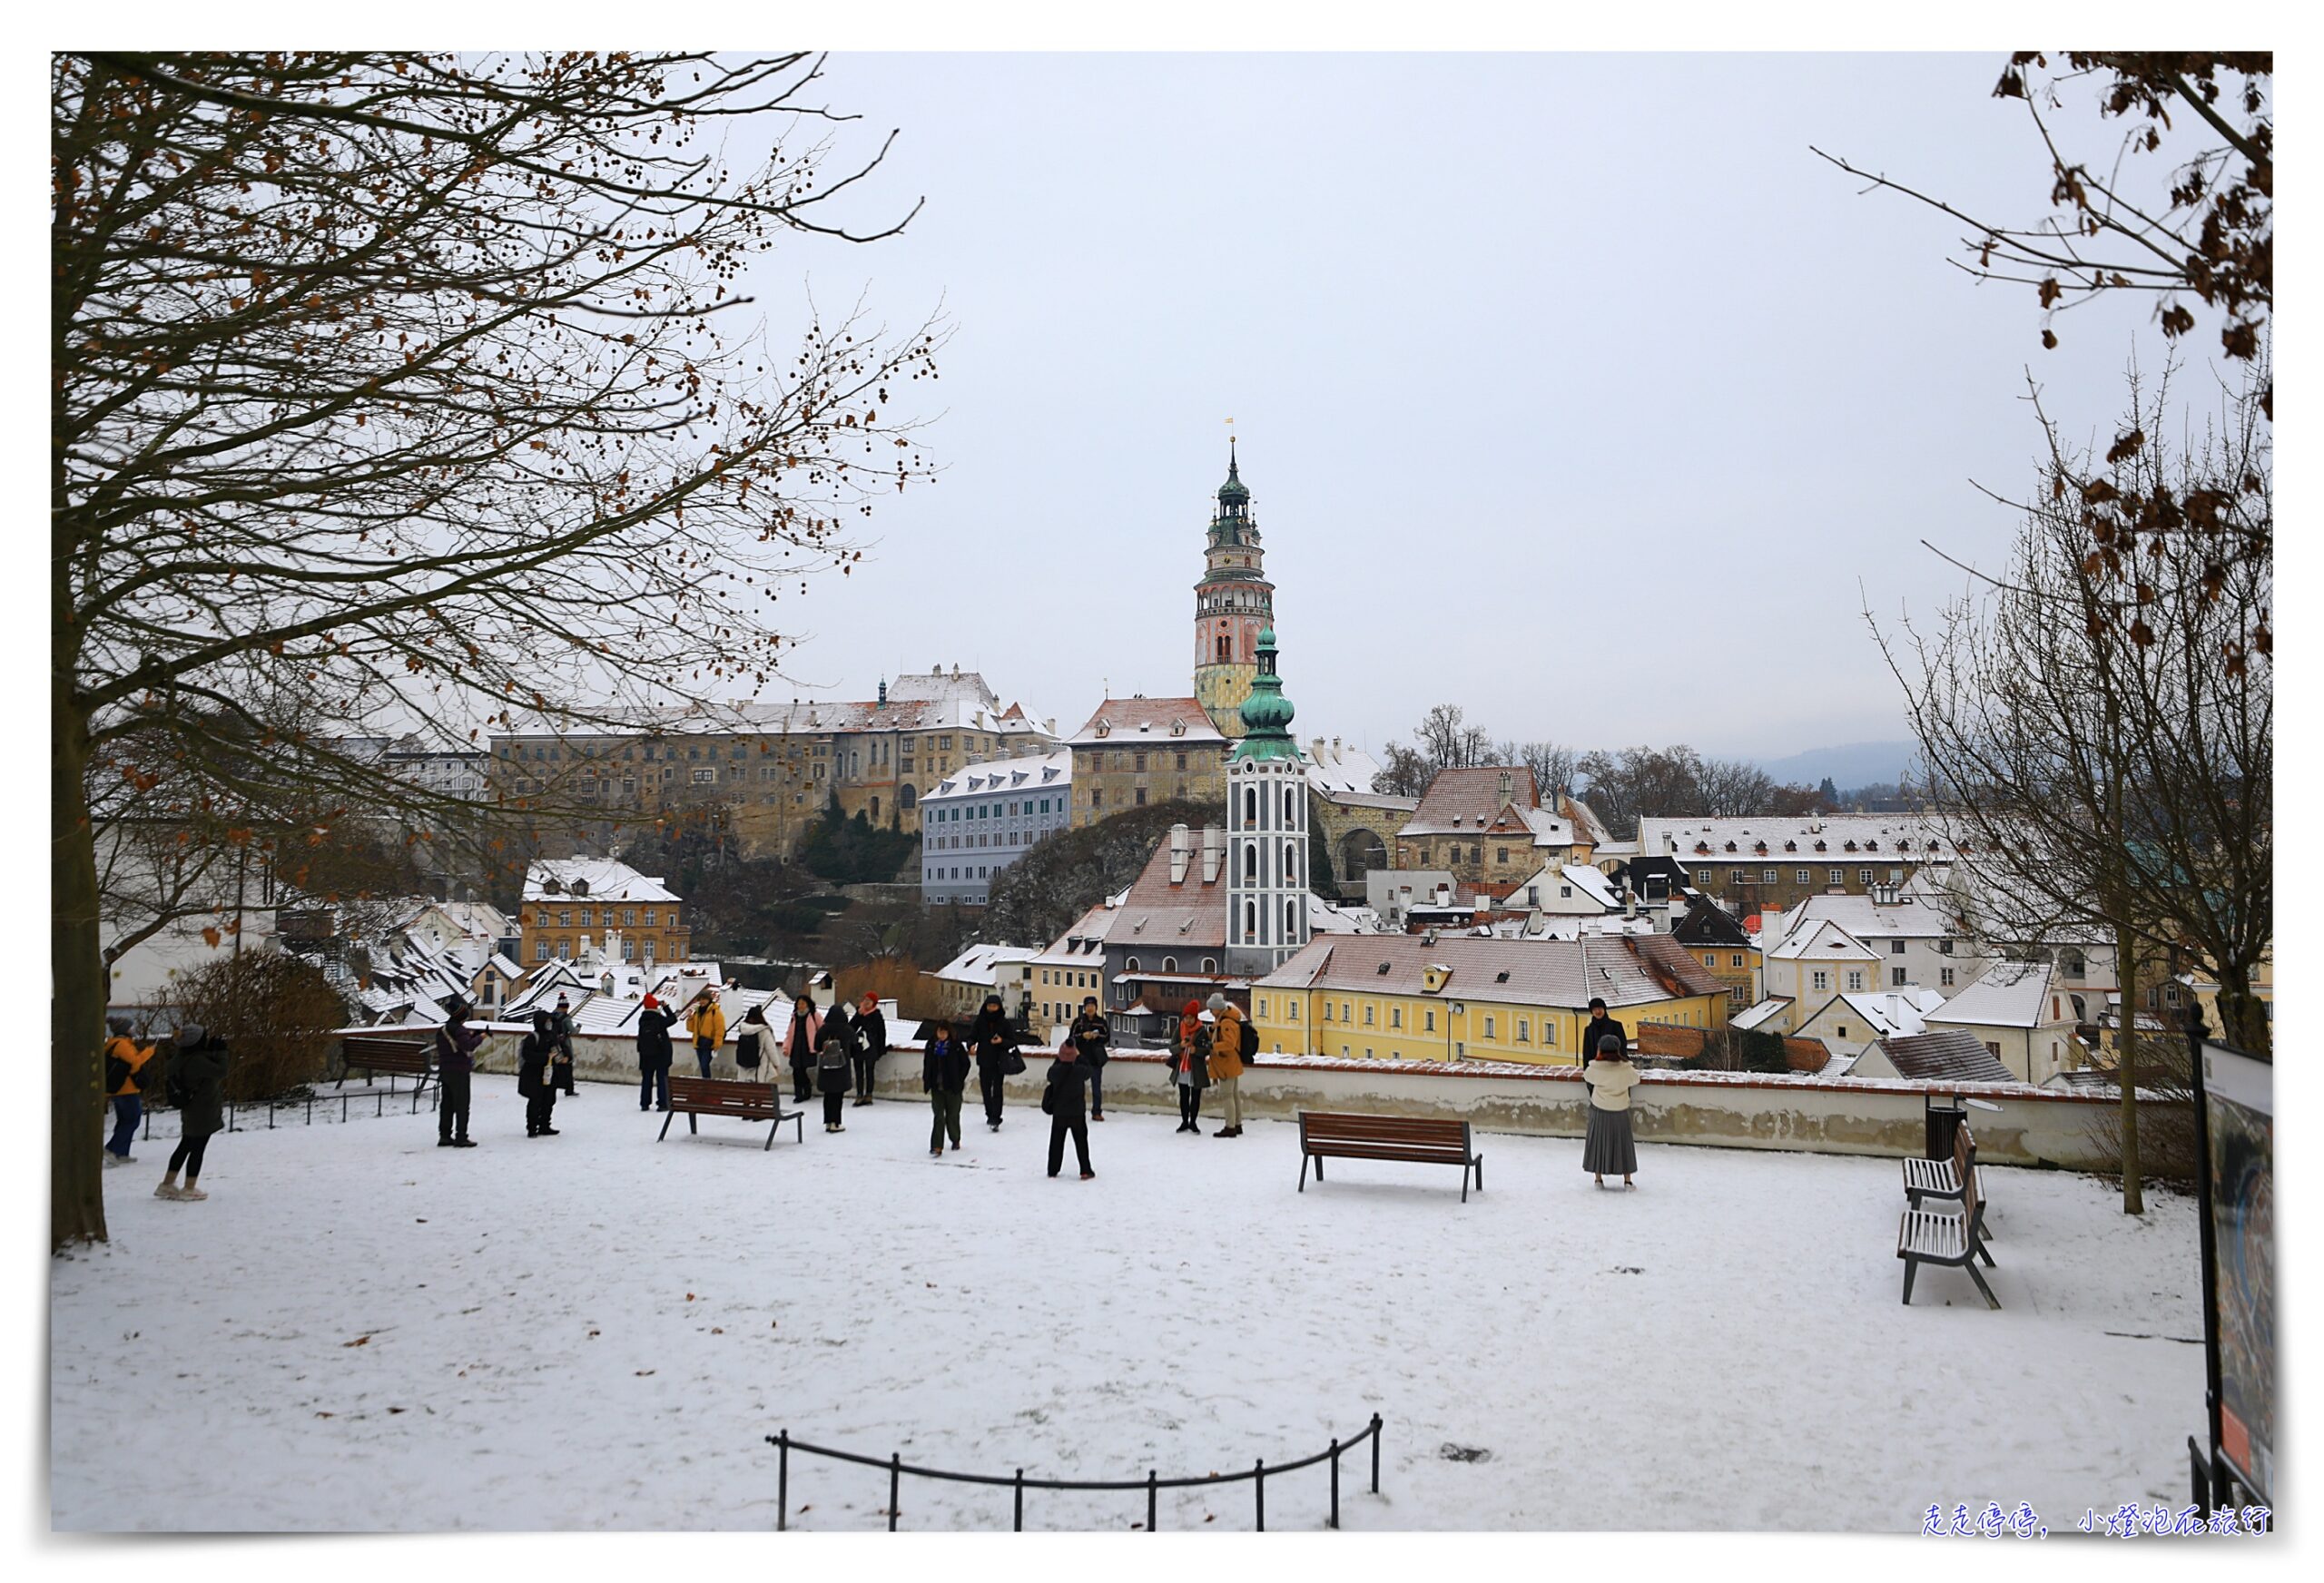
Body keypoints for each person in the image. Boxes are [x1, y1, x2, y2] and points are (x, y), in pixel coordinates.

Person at [155, 1022, 229, 1201]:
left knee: (185, 1144)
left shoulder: (180, 1058)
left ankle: (167, 1184)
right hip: (202, 1110)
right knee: (198, 1148)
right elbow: (221, 1071)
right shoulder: (197, 1061)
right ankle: (189, 1187)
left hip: (189, 1109)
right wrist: (221, 1053)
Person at [1582, 1032, 1640, 1188]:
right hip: (1620, 1110)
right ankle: (1627, 1181)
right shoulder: (1626, 1068)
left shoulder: (1594, 1068)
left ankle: (1598, 1180)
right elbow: (1636, 1079)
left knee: (1597, 1144)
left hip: (1600, 1109)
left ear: (1600, 1049)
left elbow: (1587, 1077)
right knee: (1623, 1145)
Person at [103, 1015, 155, 1166]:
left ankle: (122, 1152)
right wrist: (148, 1052)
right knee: (132, 1119)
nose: (132, 1030)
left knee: (124, 1120)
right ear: (124, 1030)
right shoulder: (122, 1045)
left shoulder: (114, 1043)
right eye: (130, 1027)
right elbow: (135, 1063)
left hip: (119, 1088)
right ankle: (112, 1149)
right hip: (126, 1089)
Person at [1043, 1040, 1095, 1180]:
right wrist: (1078, 1056)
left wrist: (1060, 1057)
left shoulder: (1055, 1071)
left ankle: (1053, 1169)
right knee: (1081, 1142)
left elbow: (1050, 1076)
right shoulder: (1080, 1071)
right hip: (1077, 1112)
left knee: (1056, 1142)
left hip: (1060, 1112)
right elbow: (1090, 1070)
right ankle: (1085, 1170)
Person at [435, 1001, 484, 1148]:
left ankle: (444, 1135)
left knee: (447, 1104)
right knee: (462, 1105)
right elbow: (467, 1046)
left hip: (445, 1070)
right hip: (459, 1071)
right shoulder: (460, 1030)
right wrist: (481, 1037)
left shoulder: (442, 1029)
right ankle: (461, 1136)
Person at [969, 994, 1019, 1132]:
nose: (992, 1008)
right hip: (984, 1059)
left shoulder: (1004, 1023)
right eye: (990, 1006)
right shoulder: (980, 1021)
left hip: (999, 1060)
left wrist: (1001, 1041)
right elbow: (972, 1036)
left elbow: (1013, 1041)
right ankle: (989, 1113)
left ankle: (996, 1117)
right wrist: (971, 1045)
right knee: (985, 1089)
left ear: (999, 1007)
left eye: (994, 1006)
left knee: (997, 1089)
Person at [922, 1018, 969, 1157]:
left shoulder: (956, 1046)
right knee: (938, 1116)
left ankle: (955, 1139)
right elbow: (927, 1064)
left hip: (953, 1087)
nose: (941, 1035)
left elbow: (965, 1064)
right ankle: (936, 1146)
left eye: (944, 1032)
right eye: (939, 1032)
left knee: (952, 1116)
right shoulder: (931, 1046)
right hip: (937, 1087)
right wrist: (927, 1080)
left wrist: (959, 1079)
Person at [1207, 993, 1247, 1138]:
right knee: (1234, 1094)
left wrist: (1213, 1047)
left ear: (1218, 1009)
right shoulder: (1224, 1020)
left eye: (1211, 1009)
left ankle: (1230, 1127)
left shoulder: (1226, 1023)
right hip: (1232, 1062)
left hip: (1226, 1063)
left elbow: (1229, 1044)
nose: (1210, 1011)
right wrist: (1212, 1030)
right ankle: (1237, 1124)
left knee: (1227, 1095)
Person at [1169, 1001, 1212, 1135]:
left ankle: (1193, 1122)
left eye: (1191, 1018)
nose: (1188, 1021)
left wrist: (1196, 1050)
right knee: (1184, 1096)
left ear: (1196, 1018)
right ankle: (1184, 1121)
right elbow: (1172, 1048)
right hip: (1182, 1067)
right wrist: (1181, 1046)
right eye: (1186, 1017)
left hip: (1196, 1068)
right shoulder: (1179, 1028)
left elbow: (1207, 1049)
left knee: (1195, 1096)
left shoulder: (1201, 1031)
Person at [517, 1009, 561, 1137]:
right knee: (535, 1100)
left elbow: (556, 1050)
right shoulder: (532, 1037)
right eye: (547, 1021)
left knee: (549, 1100)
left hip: (549, 1073)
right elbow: (527, 1055)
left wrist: (561, 1058)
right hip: (534, 1074)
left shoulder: (551, 1035)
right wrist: (546, 1057)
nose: (549, 1024)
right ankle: (532, 1127)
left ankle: (545, 1125)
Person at [1069, 998, 1110, 1121]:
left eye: (1092, 1005)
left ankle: (1096, 1111)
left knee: (1096, 1087)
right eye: (1088, 1006)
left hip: (1095, 1060)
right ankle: (1077, 1110)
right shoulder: (1078, 1022)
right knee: (1077, 1087)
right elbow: (1071, 1038)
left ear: (1096, 1007)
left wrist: (1096, 1036)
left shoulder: (1101, 1022)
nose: (1090, 1008)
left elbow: (1107, 1037)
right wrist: (1082, 1036)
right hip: (1080, 1059)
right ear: (1084, 1008)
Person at [635, 993, 677, 1111]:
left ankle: (645, 1103)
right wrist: (666, 1007)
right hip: (661, 1054)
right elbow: (673, 1019)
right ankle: (662, 1103)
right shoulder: (659, 1019)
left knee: (647, 1080)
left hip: (646, 1055)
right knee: (662, 1079)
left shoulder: (642, 1019)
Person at [815, 1010, 853, 1132]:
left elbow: (816, 1046)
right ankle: (835, 1123)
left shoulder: (822, 1030)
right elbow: (855, 1041)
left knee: (828, 1096)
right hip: (841, 1068)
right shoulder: (846, 1029)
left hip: (826, 1068)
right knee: (838, 1097)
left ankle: (828, 1122)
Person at [783, 994, 822, 1104]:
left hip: (807, 1048)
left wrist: (819, 1044)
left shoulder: (814, 1015)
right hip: (796, 1047)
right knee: (796, 1071)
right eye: (799, 1004)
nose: (800, 1006)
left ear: (808, 1004)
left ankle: (806, 1089)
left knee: (802, 1071)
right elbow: (789, 1034)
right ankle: (799, 1094)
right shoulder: (794, 1017)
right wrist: (786, 1047)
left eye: (803, 1003)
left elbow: (822, 1029)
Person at [851, 992, 886, 1106]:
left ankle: (869, 1094)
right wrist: (858, 1015)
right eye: (865, 999)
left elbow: (882, 1033)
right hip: (858, 1047)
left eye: (869, 1001)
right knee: (859, 1071)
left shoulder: (877, 1016)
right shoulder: (859, 1013)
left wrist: (880, 1049)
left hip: (871, 1048)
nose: (866, 1002)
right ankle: (859, 1094)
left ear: (874, 1003)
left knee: (869, 1071)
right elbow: (851, 1028)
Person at [684, 989, 726, 1081]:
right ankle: (706, 1083)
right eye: (700, 999)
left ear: (709, 1000)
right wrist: (690, 1019)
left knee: (704, 1065)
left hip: (709, 1043)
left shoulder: (716, 1012)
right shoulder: (697, 1012)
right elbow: (691, 1029)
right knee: (703, 1066)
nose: (702, 1001)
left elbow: (720, 1030)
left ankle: (707, 1084)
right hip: (699, 1042)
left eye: (704, 999)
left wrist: (717, 1044)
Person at [734, 1001, 773, 1082]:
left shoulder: (743, 1029)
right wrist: (776, 1064)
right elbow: (771, 1048)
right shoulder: (764, 1030)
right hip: (757, 1063)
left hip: (742, 1061)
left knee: (742, 1080)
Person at [1581, 998, 1625, 1070]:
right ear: (1592, 1012)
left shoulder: (1616, 1026)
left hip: (1614, 1067)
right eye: (1595, 1009)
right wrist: (1587, 1070)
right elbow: (1586, 1052)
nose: (1598, 1011)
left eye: (1600, 1008)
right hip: (1596, 1068)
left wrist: (1621, 1065)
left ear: (1604, 1009)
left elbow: (1622, 1047)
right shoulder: (1589, 1030)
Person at [550, 993, 579, 1096]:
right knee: (568, 1066)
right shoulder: (566, 1018)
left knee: (554, 1066)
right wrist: (578, 1027)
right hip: (564, 1044)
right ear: (566, 1007)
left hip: (553, 1044)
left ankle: (552, 1086)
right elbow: (573, 1031)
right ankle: (569, 1089)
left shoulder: (552, 1015)